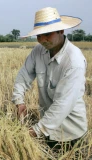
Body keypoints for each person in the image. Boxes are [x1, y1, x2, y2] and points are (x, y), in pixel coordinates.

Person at [12, 7, 88, 151]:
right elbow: (24, 74)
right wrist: (19, 101)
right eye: (39, 35)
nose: (42, 40)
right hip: (48, 132)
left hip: (70, 136)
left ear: (61, 31)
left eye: (47, 34)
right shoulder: (38, 51)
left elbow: (62, 105)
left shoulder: (74, 62)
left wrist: (34, 131)